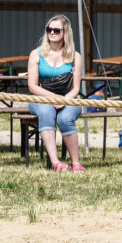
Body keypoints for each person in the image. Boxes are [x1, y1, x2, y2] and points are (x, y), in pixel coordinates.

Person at [27, 15, 85, 173]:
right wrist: (52, 98)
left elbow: (76, 89)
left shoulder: (75, 56)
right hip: (41, 98)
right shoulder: (36, 54)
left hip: (68, 97)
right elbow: (32, 86)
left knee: (65, 118)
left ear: (65, 33)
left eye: (56, 30)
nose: (51, 32)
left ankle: (76, 163)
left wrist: (64, 100)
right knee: (46, 111)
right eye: (49, 29)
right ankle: (56, 162)